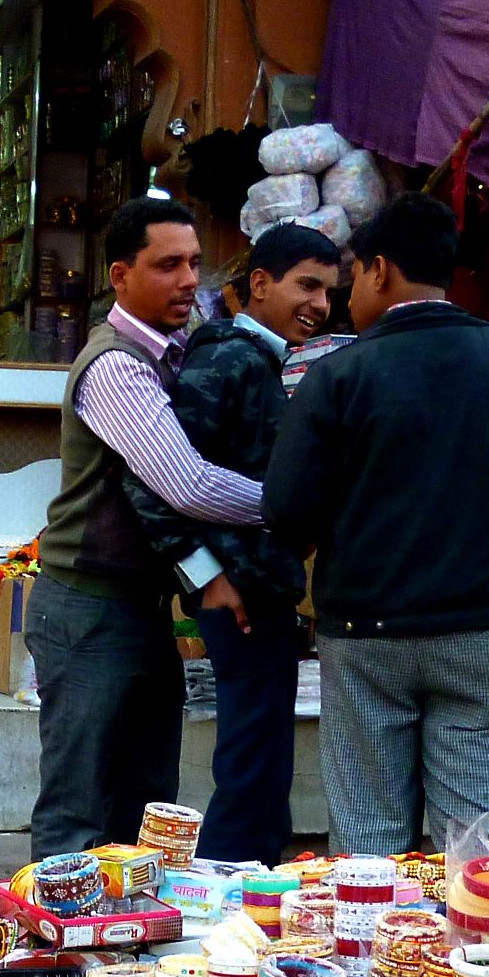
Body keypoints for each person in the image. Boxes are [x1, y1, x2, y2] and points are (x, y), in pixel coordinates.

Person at [267, 194, 489, 854]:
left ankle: (369, 950)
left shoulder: (337, 377)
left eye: (352, 275)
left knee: (367, 845)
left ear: (379, 270)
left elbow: (285, 510)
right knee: (479, 849)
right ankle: (474, 954)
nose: (345, 295)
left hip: (364, 638)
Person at [29, 198, 268, 859]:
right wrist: (293, 505)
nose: (188, 279)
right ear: (120, 276)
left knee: (143, 807)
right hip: (86, 607)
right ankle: (48, 954)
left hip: (133, 606)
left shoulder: (176, 355)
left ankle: (122, 955)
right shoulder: (116, 367)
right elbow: (185, 485)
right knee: (79, 804)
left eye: (193, 262)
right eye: (167, 265)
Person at [127, 223, 341, 865]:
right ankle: (225, 896)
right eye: (307, 285)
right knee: (251, 762)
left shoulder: (259, 362)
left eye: (330, 292)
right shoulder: (226, 359)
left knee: (265, 757)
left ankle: (256, 896)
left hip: (260, 590)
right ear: (259, 284)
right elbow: (151, 484)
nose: (321, 305)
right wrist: (206, 577)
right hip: (237, 594)